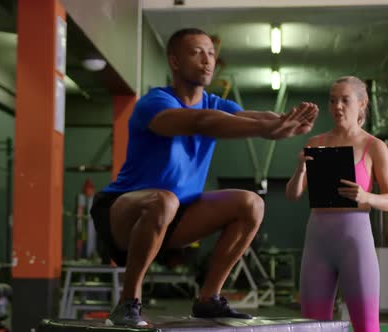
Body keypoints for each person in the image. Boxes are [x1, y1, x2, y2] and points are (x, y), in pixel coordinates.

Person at [90, 27, 319, 327]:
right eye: (196, 52)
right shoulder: (154, 102)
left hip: (178, 215)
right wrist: (267, 129)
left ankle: (209, 299)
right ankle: (128, 303)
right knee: (164, 199)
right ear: (174, 61)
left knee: (251, 203)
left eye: (211, 53)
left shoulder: (215, 103)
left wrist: (282, 123)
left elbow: (250, 117)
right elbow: (200, 122)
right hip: (122, 213)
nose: (207, 60)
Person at [285, 76, 388, 332]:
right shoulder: (315, 143)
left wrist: (366, 197)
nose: (337, 106)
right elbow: (293, 195)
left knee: (367, 326)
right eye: (333, 100)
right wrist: (300, 168)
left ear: (361, 104)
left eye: (345, 100)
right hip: (317, 241)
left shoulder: (374, 146)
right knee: (312, 326)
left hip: (355, 242)